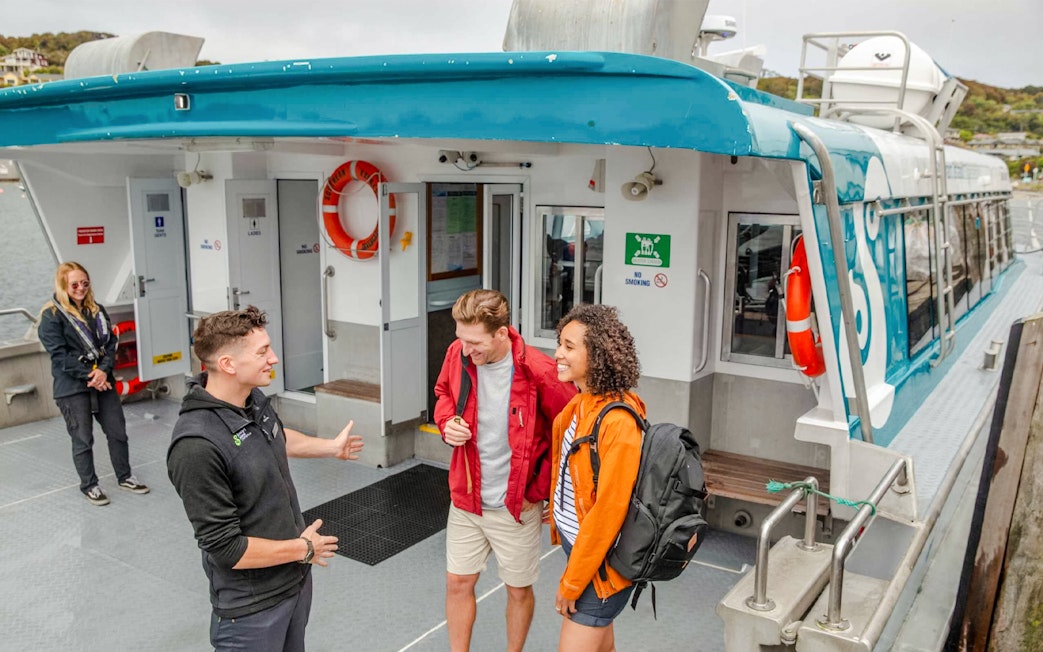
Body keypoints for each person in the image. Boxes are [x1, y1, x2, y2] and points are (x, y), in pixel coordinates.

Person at [167, 306, 364, 652]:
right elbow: (227, 548)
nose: (273, 358)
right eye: (262, 352)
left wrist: (330, 447)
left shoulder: (251, 400)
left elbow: (275, 436)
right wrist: (304, 549)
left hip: (294, 582)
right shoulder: (196, 446)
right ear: (228, 364)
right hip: (252, 610)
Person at [434, 289, 577, 652]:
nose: (466, 350)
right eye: (461, 340)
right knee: (457, 583)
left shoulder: (541, 372)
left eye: (474, 342)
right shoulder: (458, 354)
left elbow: (571, 435)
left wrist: (540, 489)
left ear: (501, 333)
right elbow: (443, 394)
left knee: (517, 589)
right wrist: (446, 421)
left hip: (516, 506)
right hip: (467, 498)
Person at [550, 303, 645, 651]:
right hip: (582, 553)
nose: (558, 353)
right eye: (560, 343)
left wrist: (571, 583)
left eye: (569, 346)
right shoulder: (580, 404)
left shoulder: (618, 422)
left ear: (599, 354)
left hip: (600, 568)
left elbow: (608, 514)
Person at [38, 261, 150, 506]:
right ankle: (89, 485)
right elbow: (59, 355)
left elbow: (110, 344)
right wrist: (92, 374)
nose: (81, 288)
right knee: (82, 438)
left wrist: (103, 371)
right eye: (75, 284)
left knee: (117, 432)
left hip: (103, 382)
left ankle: (125, 476)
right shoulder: (51, 316)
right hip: (73, 388)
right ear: (63, 286)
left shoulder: (96, 310)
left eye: (85, 283)